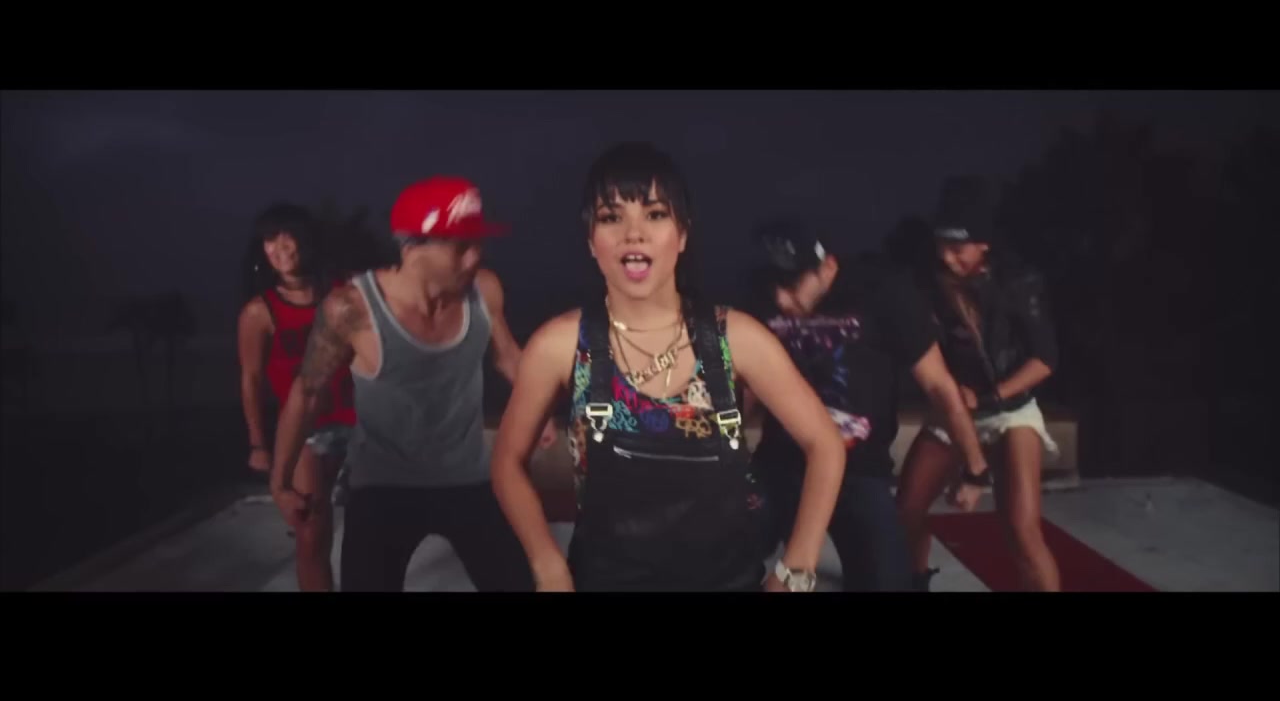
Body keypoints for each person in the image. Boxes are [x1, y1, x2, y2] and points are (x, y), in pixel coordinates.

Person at [490, 142, 847, 592]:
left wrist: (796, 568)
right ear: (591, 241)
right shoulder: (558, 346)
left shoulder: (737, 338)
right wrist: (547, 565)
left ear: (681, 235)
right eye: (611, 217)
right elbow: (507, 462)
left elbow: (825, 444)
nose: (633, 233)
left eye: (655, 214)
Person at [270, 176, 556, 592]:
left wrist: (540, 410)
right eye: (461, 246)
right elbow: (307, 391)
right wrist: (279, 481)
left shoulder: (484, 291)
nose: (475, 256)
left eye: (479, 244)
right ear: (412, 247)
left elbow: (508, 356)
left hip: (469, 480)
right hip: (383, 488)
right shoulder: (352, 309)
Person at [746, 221, 989, 592]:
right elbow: (746, 387)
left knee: (888, 582)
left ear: (828, 267)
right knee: (718, 556)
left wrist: (974, 468)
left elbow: (939, 384)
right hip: (781, 463)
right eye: (776, 283)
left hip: (859, 470)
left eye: (794, 283)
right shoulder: (759, 299)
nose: (781, 298)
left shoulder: (882, 291)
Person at [896, 176, 1063, 592]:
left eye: (958, 249)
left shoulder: (1019, 280)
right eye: (941, 246)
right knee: (906, 512)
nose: (946, 257)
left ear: (984, 243)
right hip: (954, 409)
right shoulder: (926, 280)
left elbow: (1045, 360)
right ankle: (916, 583)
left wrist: (988, 396)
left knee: (1021, 530)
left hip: (1010, 411)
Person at [237, 203, 355, 592]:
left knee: (372, 537)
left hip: (361, 425)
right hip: (305, 432)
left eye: (288, 236)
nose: (280, 247)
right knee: (311, 537)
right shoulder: (259, 312)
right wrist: (258, 444)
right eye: (270, 239)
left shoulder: (343, 294)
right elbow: (251, 379)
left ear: (308, 240)